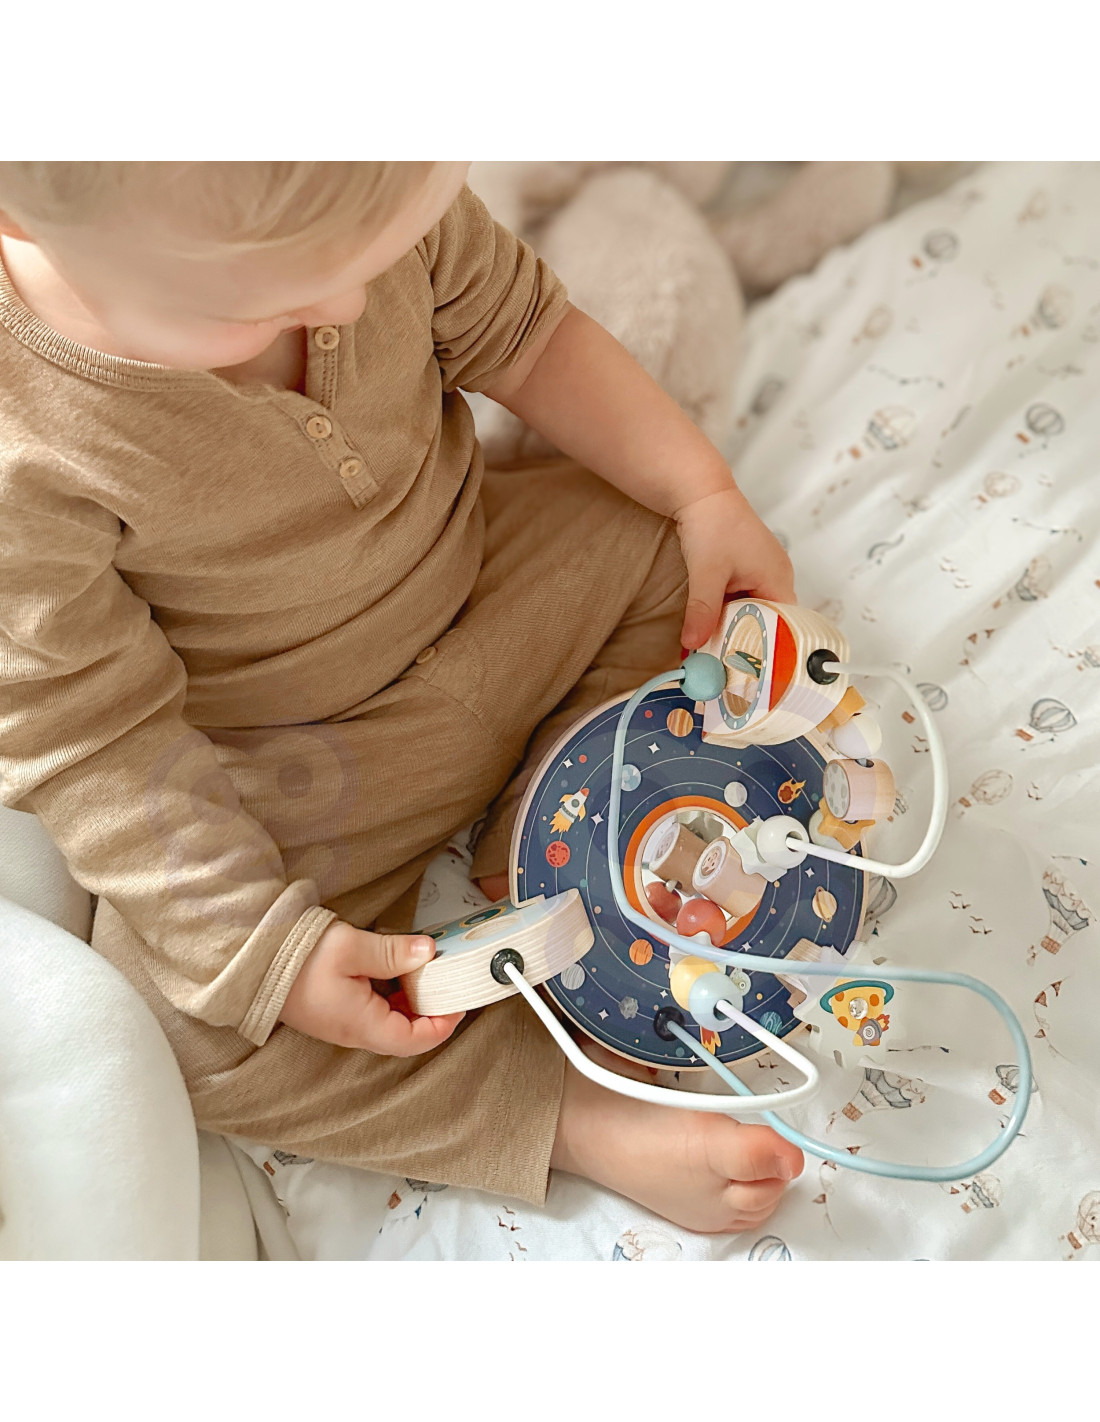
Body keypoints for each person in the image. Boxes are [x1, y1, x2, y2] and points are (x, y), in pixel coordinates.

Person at [0, 161, 802, 1233]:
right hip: (306, 761)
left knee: (661, 546)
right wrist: (272, 954)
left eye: (379, 257)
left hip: (492, 585)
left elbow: (530, 336)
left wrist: (701, 492)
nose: (346, 304)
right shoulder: (25, 445)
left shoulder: (355, 195)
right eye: (268, 303)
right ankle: (565, 1113)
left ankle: (540, 835)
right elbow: (93, 732)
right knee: (185, 1020)